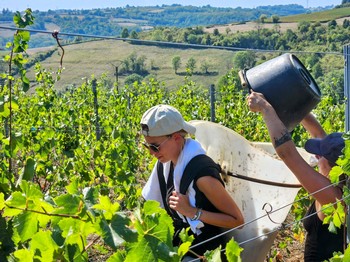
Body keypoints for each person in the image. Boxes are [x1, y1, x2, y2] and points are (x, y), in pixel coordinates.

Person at [247, 91, 346, 262]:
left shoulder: (334, 198)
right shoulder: (338, 180)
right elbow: (317, 134)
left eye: (319, 154)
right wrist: (288, 99)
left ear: (333, 167)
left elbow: (288, 154)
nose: (316, 157)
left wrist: (266, 109)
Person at [140, 104, 244, 261]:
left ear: (176, 138)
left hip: (206, 250)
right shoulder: (165, 165)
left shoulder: (202, 176)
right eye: (147, 146)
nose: (151, 153)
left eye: (155, 147)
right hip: (181, 243)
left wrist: (192, 212)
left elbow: (237, 220)